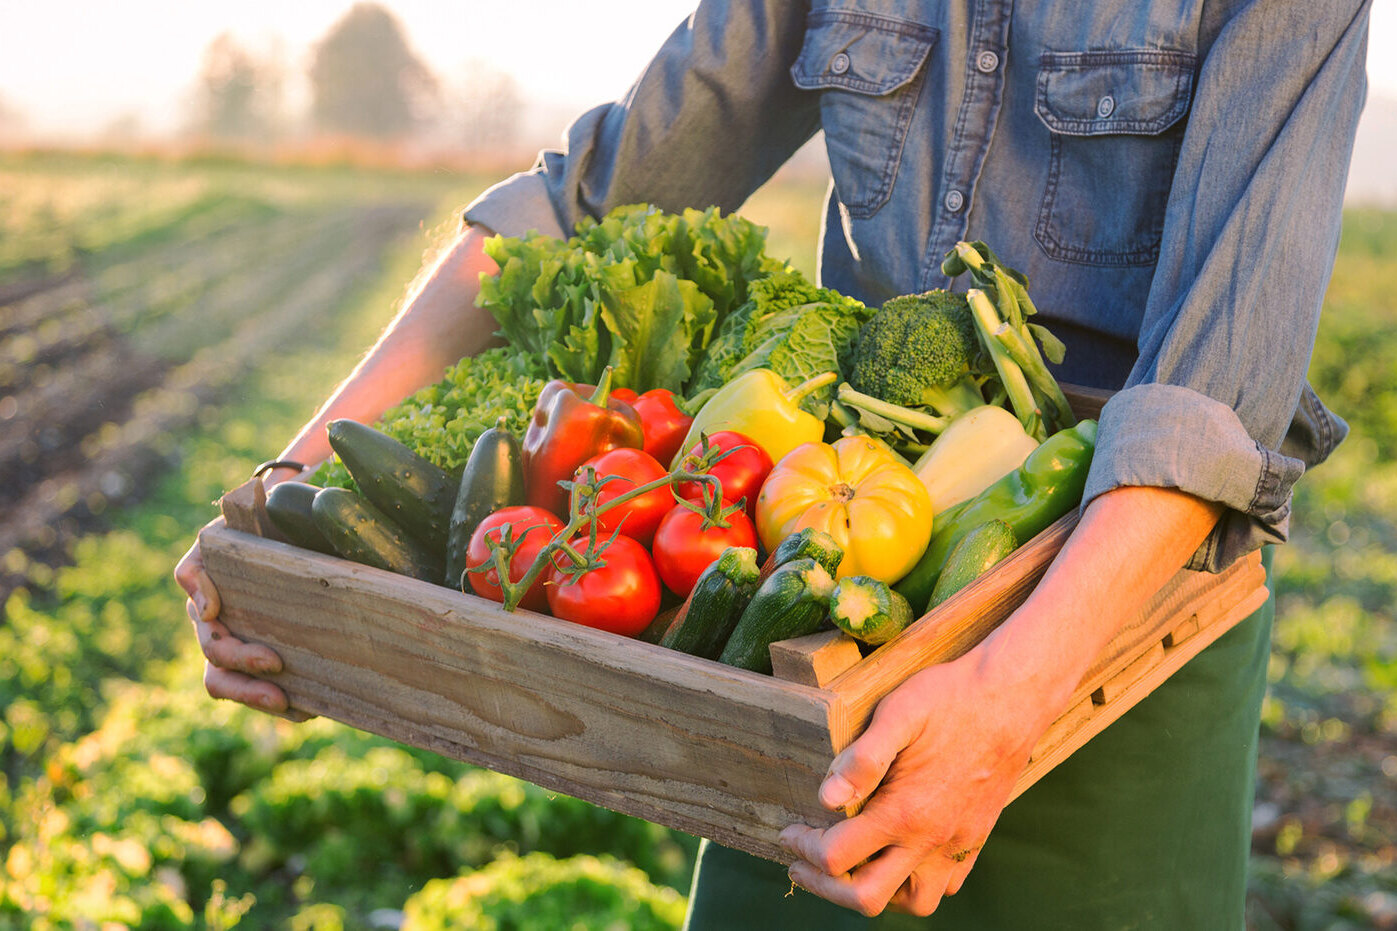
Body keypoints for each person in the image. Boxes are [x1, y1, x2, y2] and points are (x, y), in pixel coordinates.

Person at [176, 0, 1372, 925]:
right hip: (834, 619)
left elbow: (1212, 386)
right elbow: (592, 197)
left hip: (1115, 617)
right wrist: (287, 483)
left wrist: (1009, 700)